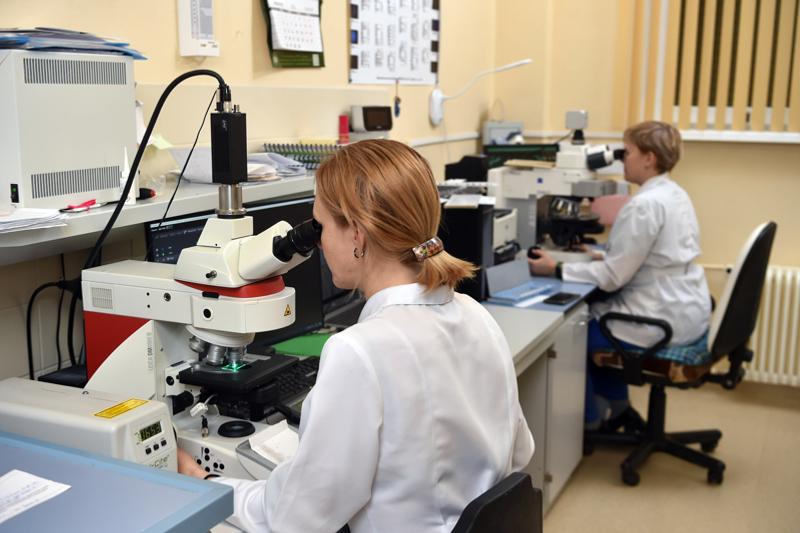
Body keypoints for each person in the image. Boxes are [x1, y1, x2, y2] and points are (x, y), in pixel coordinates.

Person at [178, 139, 535, 532]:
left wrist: (204, 483)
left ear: (358, 235)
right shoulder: (476, 315)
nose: (318, 241)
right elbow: (519, 454)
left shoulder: (359, 350)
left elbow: (296, 520)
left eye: (321, 226)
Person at [529, 121, 711, 431]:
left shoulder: (644, 205)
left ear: (649, 158)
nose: (621, 159)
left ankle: (588, 421)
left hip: (661, 318)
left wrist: (555, 268)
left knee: (579, 330)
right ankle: (618, 407)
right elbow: (658, 255)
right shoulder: (674, 193)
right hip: (688, 309)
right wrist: (600, 254)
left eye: (627, 152)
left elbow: (613, 277)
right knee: (598, 315)